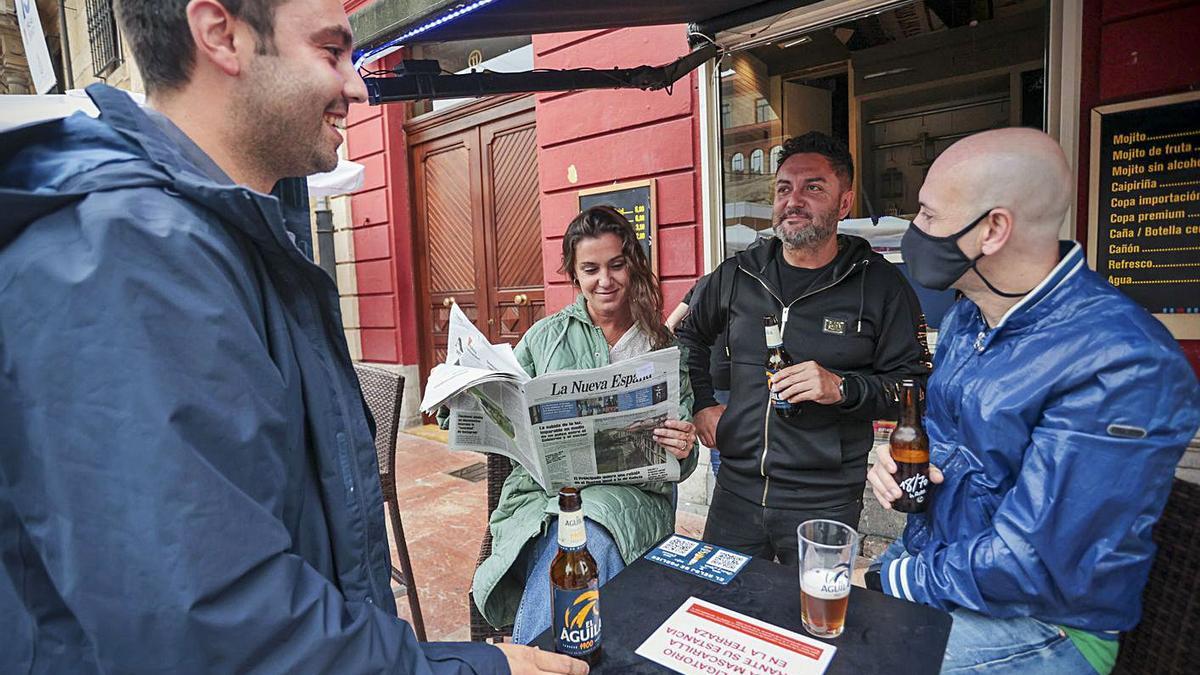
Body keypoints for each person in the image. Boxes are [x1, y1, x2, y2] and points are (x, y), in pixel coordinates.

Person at [0, 1, 585, 673]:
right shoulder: (124, 260)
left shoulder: (214, 242)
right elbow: (223, 634)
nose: (359, 85)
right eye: (333, 52)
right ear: (223, 35)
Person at [865, 127, 1200, 674]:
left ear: (993, 229)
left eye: (928, 215)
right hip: (948, 572)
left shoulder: (1123, 362)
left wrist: (898, 578)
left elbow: (1037, 564)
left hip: (1050, 623)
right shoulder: (968, 316)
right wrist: (903, 470)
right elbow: (950, 455)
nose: (914, 230)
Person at [676, 132, 929, 564]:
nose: (793, 200)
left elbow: (915, 388)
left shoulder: (880, 284)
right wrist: (700, 403)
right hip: (736, 492)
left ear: (844, 203)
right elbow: (688, 336)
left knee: (815, 624)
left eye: (813, 187)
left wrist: (842, 388)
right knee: (722, 614)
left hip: (824, 501)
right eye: (783, 188)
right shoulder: (739, 274)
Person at [471, 206, 698, 643]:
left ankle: (532, 663)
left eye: (616, 265)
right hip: (544, 497)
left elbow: (682, 465)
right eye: (590, 269)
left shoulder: (660, 345)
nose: (605, 281)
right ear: (574, 276)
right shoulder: (544, 337)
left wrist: (684, 447)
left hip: (633, 497)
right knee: (577, 537)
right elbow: (507, 412)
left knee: (583, 534)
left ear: (633, 264)